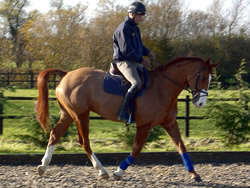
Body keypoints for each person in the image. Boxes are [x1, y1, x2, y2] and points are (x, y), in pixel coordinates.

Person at [113, 1, 156, 123]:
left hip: (134, 61)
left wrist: (148, 52)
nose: (141, 18)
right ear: (131, 14)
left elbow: (139, 46)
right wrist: (142, 60)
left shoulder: (135, 28)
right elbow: (126, 50)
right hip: (124, 62)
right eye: (139, 15)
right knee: (136, 83)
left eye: (142, 16)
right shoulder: (124, 28)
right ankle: (123, 112)